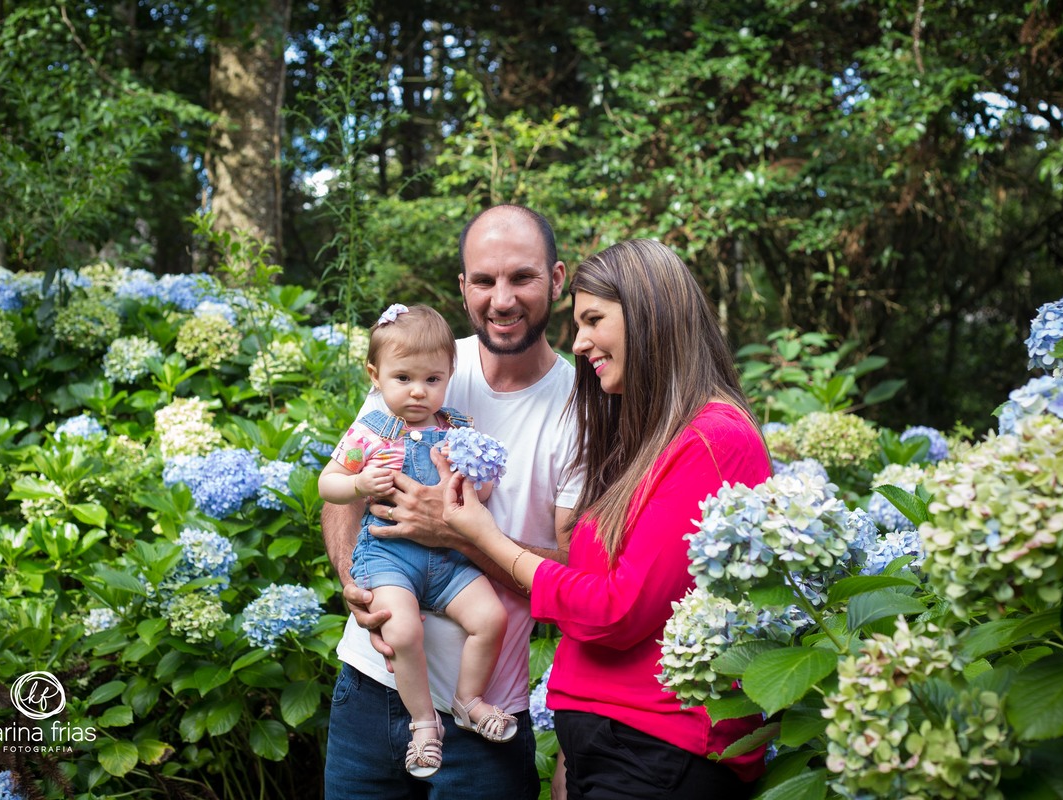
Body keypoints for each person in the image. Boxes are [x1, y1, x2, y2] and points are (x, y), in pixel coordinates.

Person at [442, 239, 772, 799]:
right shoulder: (649, 440)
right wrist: (574, 747)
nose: (580, 342)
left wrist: (483, 538)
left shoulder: (714, 439)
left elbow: (616, 611)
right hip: (612, 748)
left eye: (594, 319)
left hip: (660, 753)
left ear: (649, 315)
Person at [321, 205, 583, 799]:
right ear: (463, 287)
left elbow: (577, 577)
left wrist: (458, 533)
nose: (503, 299)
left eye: (523, 277)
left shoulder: (582, 407)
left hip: (486, 719)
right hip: (369, 687)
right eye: (485, 280)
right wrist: (354, 581)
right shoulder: (421, 360)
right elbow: (345, 489)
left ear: (558, 279)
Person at [318, 303, 517, 778]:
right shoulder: (370, 431)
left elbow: (481, 492)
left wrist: (476, 480)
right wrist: (361, 484)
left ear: (449, 376)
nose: (417, 391)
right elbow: (328, 484)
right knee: (402, 631)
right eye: (403, 378)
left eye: (432, 380)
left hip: (449, 561)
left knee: (491, 618)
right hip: (389, 557)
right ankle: (424, 724)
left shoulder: (458, 430)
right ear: (376, 374)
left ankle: (468, 700)